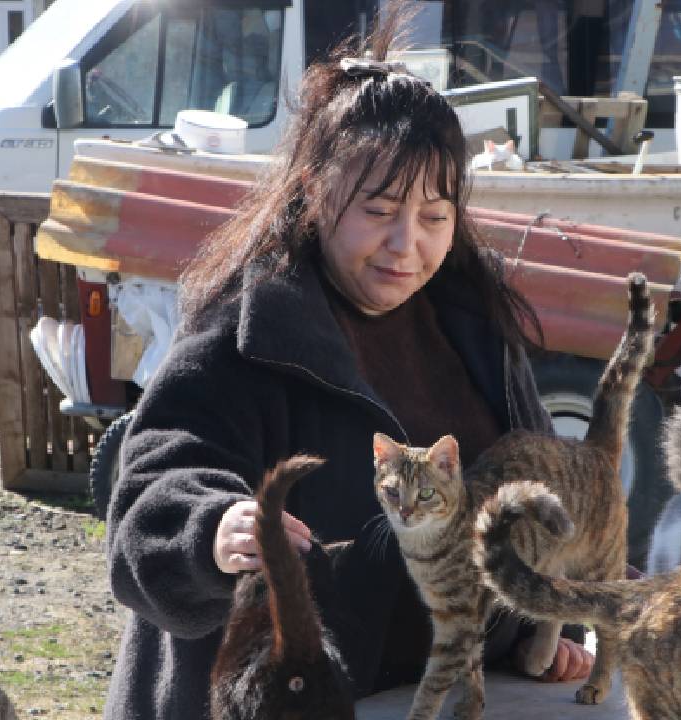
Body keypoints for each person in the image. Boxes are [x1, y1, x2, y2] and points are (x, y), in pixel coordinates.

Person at [103, 8, 593, 720]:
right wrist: (214, 529)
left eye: (434, 216)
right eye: (380, 209)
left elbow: (539, 499)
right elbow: (153, 488)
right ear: (313, 190)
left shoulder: (478, 332)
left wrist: (544, 629)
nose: (407, 244)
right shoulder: (250, 333)